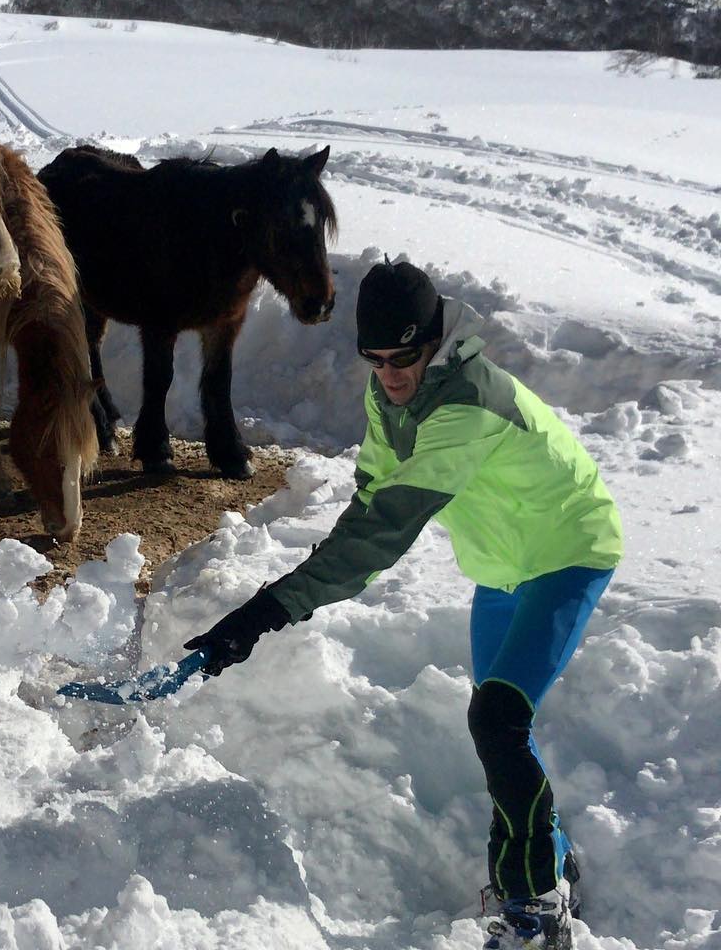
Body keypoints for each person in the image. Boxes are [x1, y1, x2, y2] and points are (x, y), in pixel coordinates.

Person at [185, 259, 622, 950]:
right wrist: (270, 607)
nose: (390, 374)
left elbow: (383, 531)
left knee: (498, 717)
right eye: (376, 359)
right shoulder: (388, 400)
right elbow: (368, 501)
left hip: (569, 551)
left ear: (436, 341)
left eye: (406, 357)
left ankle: (535, 905)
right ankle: (557, 860)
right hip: (503, 570)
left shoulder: (465, 405)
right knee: (502, 723)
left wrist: (264, 613)